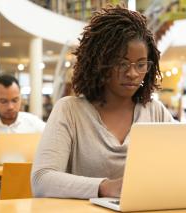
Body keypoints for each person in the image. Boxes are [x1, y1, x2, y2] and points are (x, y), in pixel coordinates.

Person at [31, 5, 175, 199]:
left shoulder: (155, 112)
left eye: (141, 65)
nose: (132, 73)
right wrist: (104, 187)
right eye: (121, 63)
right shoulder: (70, 111)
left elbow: (179, 166)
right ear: (100, 63)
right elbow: (41, 180)